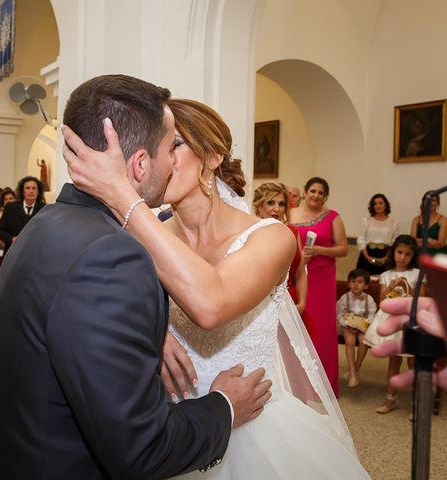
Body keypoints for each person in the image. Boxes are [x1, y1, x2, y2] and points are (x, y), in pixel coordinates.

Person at [0, 75, 272, 480]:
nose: (172, 162)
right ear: (139, 163)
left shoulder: (47, 223)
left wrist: (150, 331)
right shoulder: (111, 255)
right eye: (170, 148)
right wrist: (223, 405)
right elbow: (141, 448)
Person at [63, 96, 369, 478]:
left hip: (253, 424)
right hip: (168, 422)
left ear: (213, 156)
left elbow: (213, 303)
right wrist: (152, 332)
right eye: (155, 149)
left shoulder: (271, 238)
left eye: (174, 145)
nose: (162, 161)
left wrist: (126, 202)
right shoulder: (145, 233)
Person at [290, 177, 348, 396]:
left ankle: (324, 384)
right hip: (297, 273)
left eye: (320, 193)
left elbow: (343, 249)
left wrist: (321, 251)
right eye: (312, 190)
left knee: (321, 328)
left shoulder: (332, 217)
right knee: (298, 325)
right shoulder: (292, 213)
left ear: (325, 197)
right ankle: (298, 382)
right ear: (305, 192)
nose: (316, 195)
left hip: (321, 276)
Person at [364, 235, 425, 414]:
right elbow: (382, 300)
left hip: (410, 320)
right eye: (399, 252)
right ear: (393, 253)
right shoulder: (386, 274)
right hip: (391, 320)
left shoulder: (417, 274)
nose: (403, 257)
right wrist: (391, 287)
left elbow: (421, 300)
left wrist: (408, 287)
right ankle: (390, 398)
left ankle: (417, 402)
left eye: (407, 254)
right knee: (394, 360)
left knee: (413, 362)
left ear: (413, 256)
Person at [253, 182, 314, 337]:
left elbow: (300, 273)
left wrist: (302, 303)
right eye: (270, 202)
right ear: (259, 205)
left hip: (291, 302)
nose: (277, 209)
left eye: (281, 204)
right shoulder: (250, 233)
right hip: (259, 306)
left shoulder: (293, 233)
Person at [372, 297, 447, 389]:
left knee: (413, 364)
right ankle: (390, 395)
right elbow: (382, 299)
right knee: (393, 359)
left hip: (424, 338)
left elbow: (420, 298)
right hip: (405, 330)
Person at [336, 269, 377, 388]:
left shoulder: (369, 299)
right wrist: (346, 323)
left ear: (366, 286)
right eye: (353, 281)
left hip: (363, 326)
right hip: (347, 326)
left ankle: (356, 367)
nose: (355, 284)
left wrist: (364, 324)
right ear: (348, 284)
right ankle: (353, 373)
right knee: (350, 340)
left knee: (364, 340)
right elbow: (339, 313)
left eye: (360, 282)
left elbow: (372, 314)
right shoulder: (345, 298)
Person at [0, 176, 46, 254]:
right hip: (13, 252)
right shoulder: (10, 208)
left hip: (36, 253)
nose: (31, 191)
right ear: (22, 192)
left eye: (34, 188)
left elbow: (47, 232)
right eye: (28, 188)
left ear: (38, 192)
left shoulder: (45, 209)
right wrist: (12, 239)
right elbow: (0, 231)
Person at [356, 193, 399, 275]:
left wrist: (386, 258)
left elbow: (394, 242)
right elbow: (361, 239)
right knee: (364, 281)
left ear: (386, 205)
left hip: (386, 255)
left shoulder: (394, 222)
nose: (378, 206)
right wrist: (368, 258)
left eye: (380, 203)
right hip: (367, 254)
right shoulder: (366, 220)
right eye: (375, 204)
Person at [410, 191, 447, 256]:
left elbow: (440, 244)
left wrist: (421, 240)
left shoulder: (443, 220)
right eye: (427, 200)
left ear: (438, 203)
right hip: (419, 254)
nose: (430, 202)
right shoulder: (416, 220)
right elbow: (412, 241)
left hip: (437, 254)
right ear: (423, 202)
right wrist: (429, 240)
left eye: (433, 200)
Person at [0, 188, 16, 256]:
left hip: (16, 248)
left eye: (11, 198)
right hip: (0, 249)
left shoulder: (20, 214)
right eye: (5, 199)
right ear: (3, 202)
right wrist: (7, 248)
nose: (8, 201)